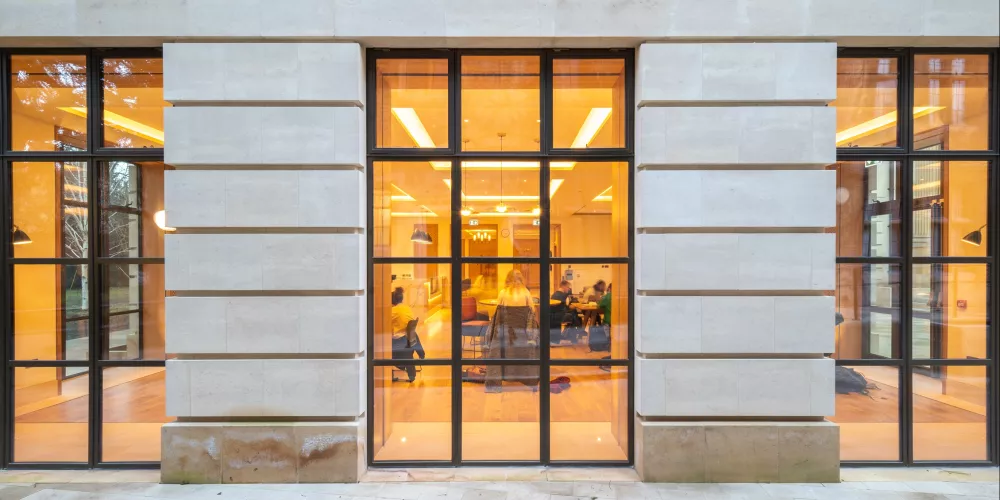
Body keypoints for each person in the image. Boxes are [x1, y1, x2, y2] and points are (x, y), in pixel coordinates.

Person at [390, 287, 424, 382]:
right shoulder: (406, 308)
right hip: (407, 338)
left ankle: (388, 374)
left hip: (399, 340)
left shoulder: (394, 310)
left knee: (380, 346)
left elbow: (382, 321)